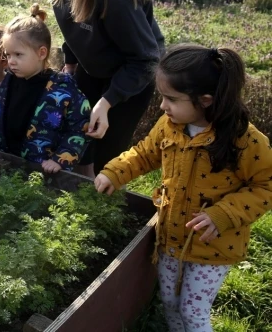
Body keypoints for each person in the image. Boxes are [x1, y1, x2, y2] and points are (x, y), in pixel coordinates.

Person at [95, 45, 272, 332]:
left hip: (214, 245)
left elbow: (266, 185)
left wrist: (224, 213)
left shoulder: (244, 140)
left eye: (170, 99)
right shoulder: (170, 125)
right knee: (170, 301)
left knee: (193, 310)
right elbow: (144, 154)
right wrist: (115, 171)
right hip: (171, 236)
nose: (163, 106)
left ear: (204, 101)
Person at [43, 0, 165, 177]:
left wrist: (108, 101)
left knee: (108, 155)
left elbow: (145, 60)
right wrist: (71, 64)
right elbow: (75, 30)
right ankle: (82, 197)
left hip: (129, 78)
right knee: (79, 138)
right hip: (92, 68)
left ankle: (105, 205)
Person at [0, 5, 90, 172]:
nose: (11, 61)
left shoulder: (63, 87)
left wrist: (60, 160)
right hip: (6, 162)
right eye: (8, 55)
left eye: (18, 55)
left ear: (42, 53)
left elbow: (80, 127)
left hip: (43, 171)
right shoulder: (9, 80)